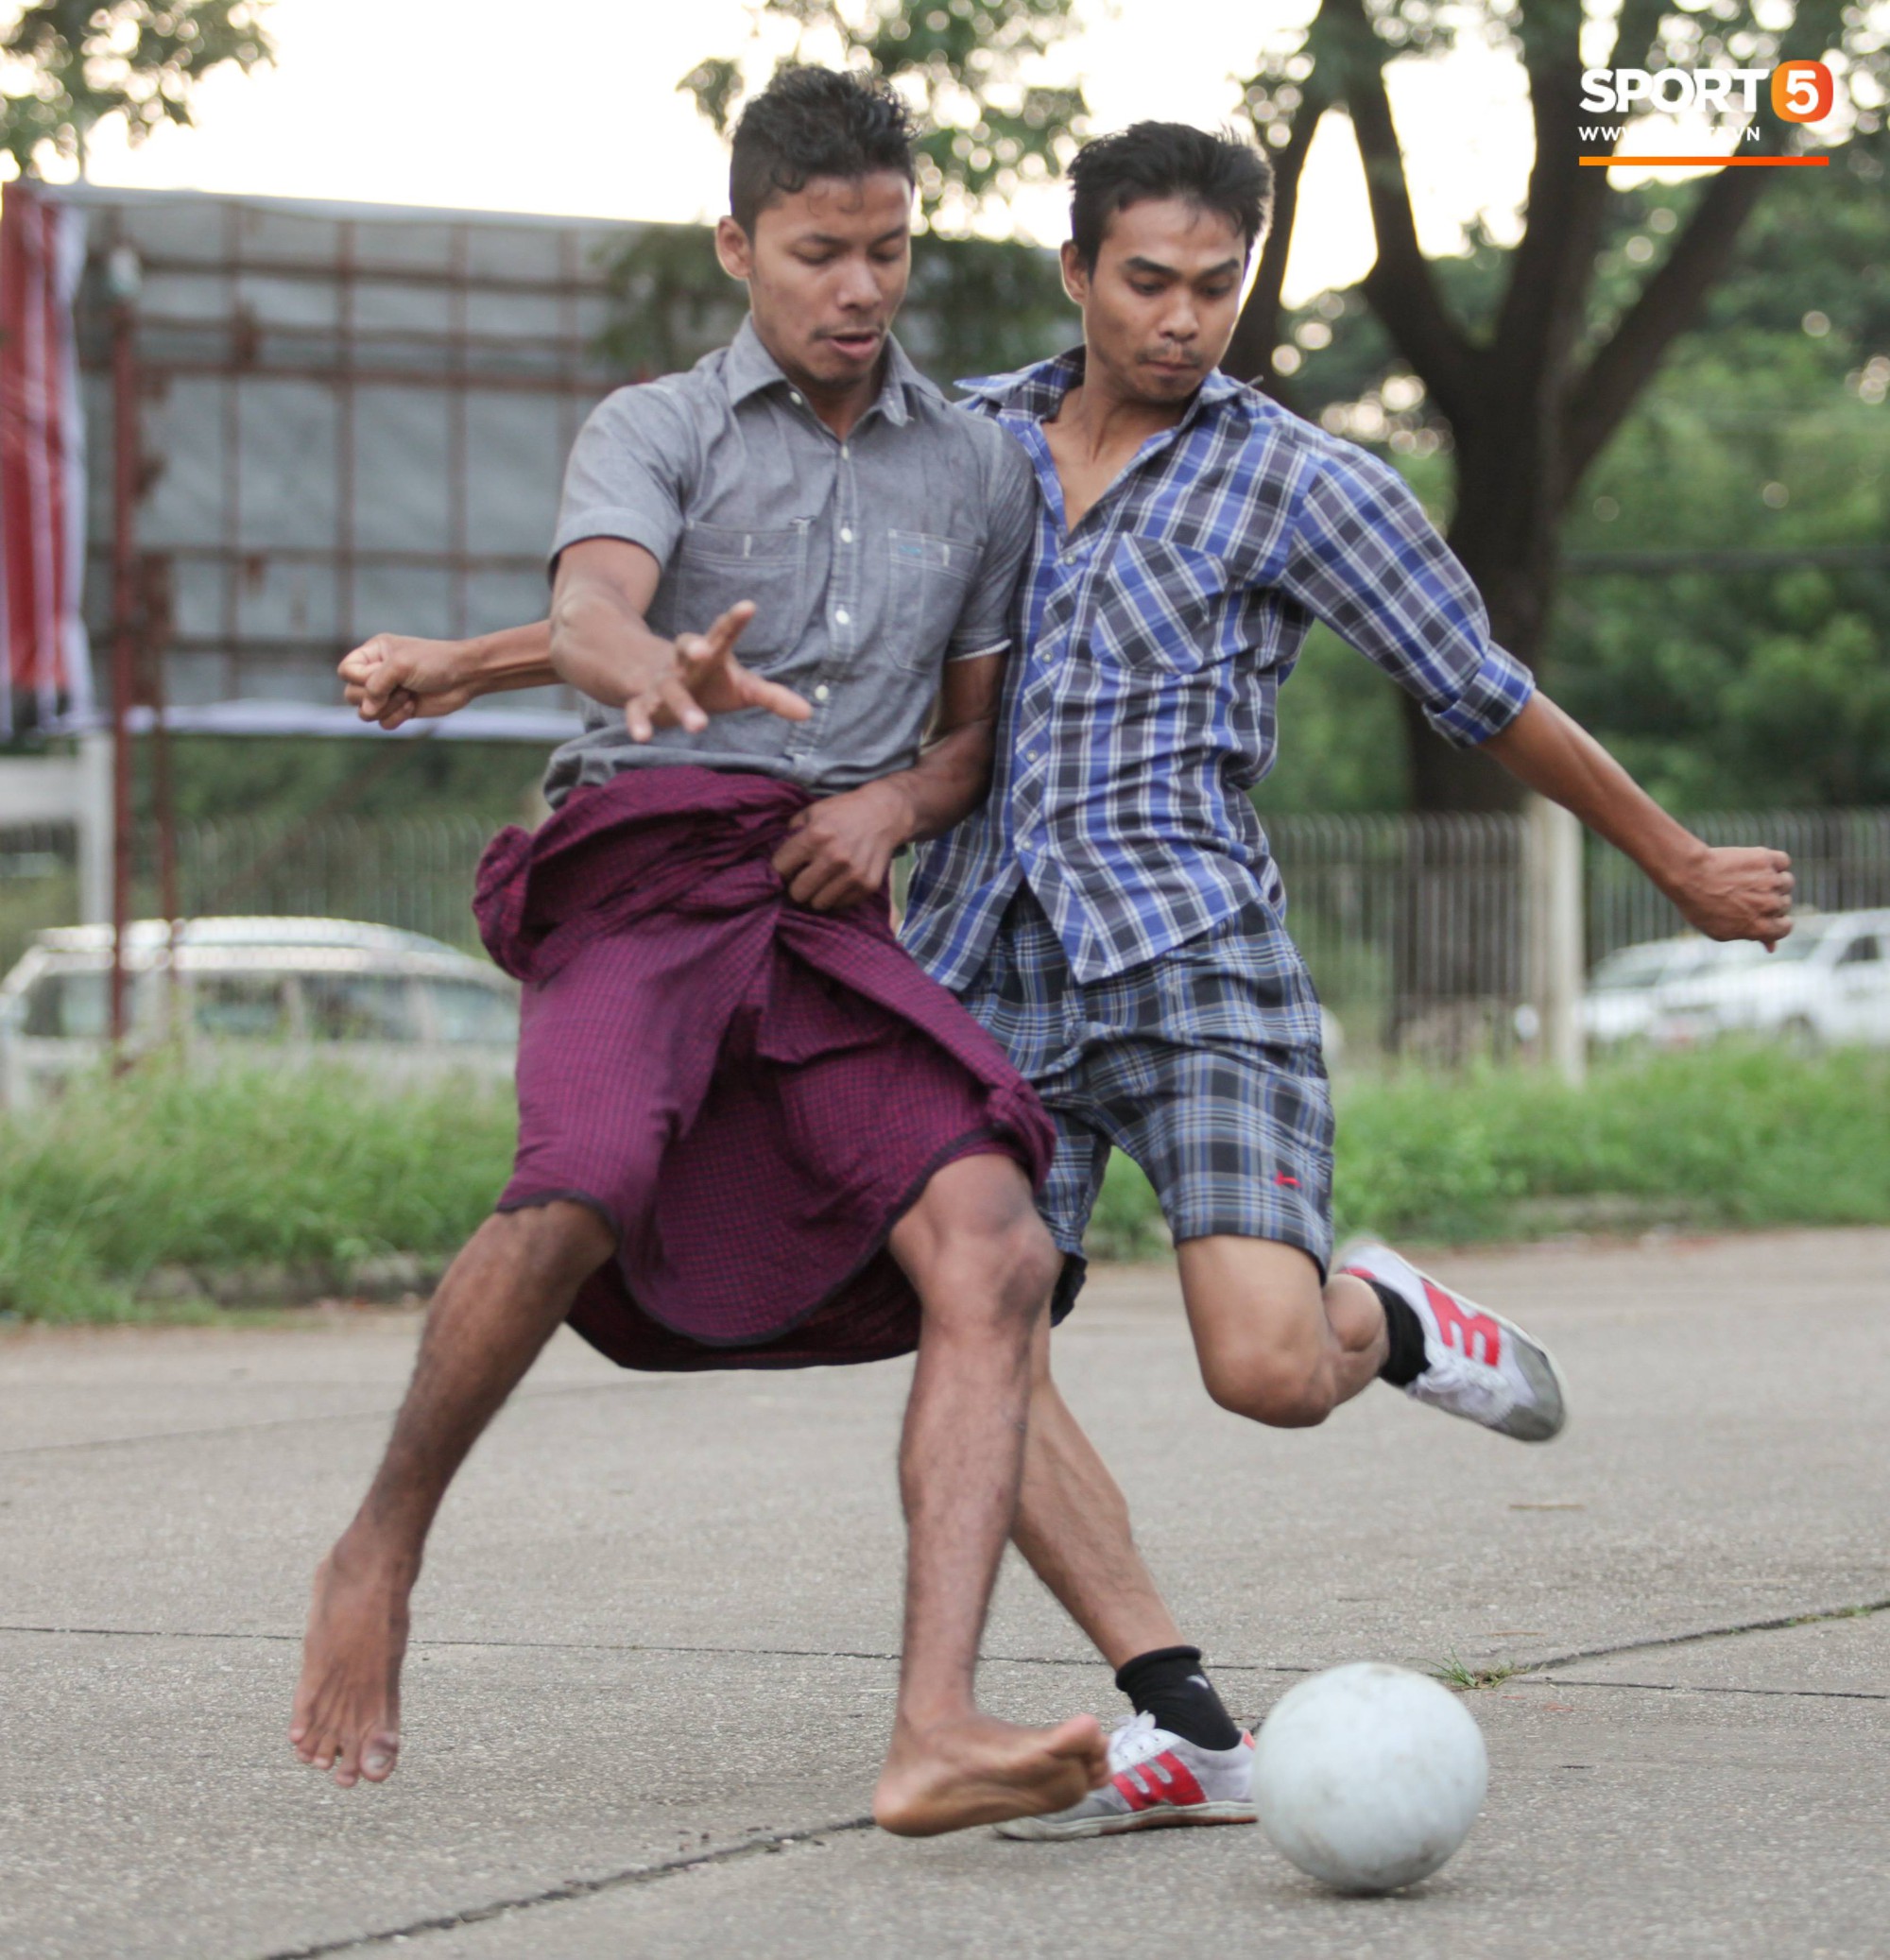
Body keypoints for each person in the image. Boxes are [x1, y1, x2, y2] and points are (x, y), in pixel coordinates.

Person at [335, 119, 1796, 1843]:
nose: (1185, 321)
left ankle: (1386, 1315)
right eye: (1151, 283)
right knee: (985, 1307)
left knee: (1259, 1367)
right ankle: (1184, 1718)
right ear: (1077, 274)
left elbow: (1488, 695)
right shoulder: (977, 443)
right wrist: (469, 661)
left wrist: (1678, 861)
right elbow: (769, 625)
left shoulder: (1307, 483)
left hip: (1189, 954)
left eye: (1219, 289)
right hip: (973, 959)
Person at [291, 65, 1111, 1838]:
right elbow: (596, 602)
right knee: (580, 1181)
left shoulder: (981, 466)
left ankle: (934, 1724)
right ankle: (381, 1541)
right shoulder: (654, 425)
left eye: (890, 250)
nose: (861, 289)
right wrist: (641, 669)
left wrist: (896, 806)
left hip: (829, 900)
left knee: (997, 1244)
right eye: (822, 251)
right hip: (648, 855)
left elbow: (973, 739)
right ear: (741, 245)